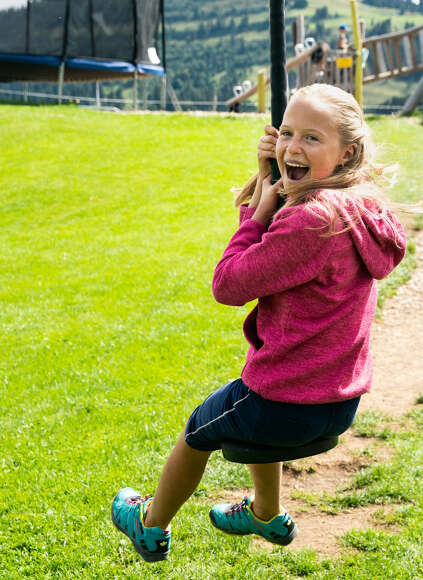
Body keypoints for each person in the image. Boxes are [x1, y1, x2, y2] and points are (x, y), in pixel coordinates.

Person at [110, 84, 406, 562]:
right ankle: (266, 514)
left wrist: (255, 213)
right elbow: (289, 228)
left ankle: (150, 524)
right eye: (287, 132)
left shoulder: (314, 219)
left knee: (196, 433)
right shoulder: (361, 206)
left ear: (346, 151)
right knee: (255, 428)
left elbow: (228, 285)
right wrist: (269, 173)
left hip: (283, 401)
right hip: (339, 402)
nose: (292, 146)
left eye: (311, 138)